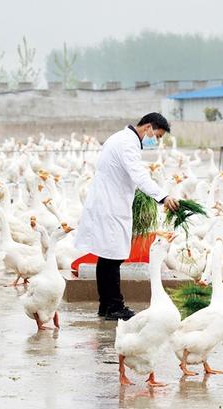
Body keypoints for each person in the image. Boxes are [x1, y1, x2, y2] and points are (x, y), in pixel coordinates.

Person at [74, 112, 179, 321]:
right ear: (148, 127)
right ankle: (114, 306)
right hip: (110, 205)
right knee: (113, 256)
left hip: (110, 202)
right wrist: (163, 196)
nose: (155, 141)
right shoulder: (128, 144)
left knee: (108, 256)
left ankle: (106, 305)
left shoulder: (120, 138)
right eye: (157, 136)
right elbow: (138, 175)